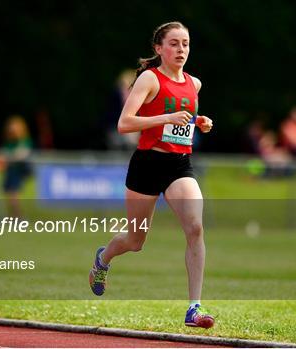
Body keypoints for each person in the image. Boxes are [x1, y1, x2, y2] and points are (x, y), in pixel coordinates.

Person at [89, 22, 215, 329]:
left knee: (195, 227)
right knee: (135, 241)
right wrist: (167, 117)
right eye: (174, 43)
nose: (181, 49)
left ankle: (193, 309)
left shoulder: (194, 83)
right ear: (159, 48)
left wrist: (198, 122)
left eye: (185, 43)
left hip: (179, 166)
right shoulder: (149, 78)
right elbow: (125, 123)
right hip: (147, 165)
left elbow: (180, 118)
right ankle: (103, 259)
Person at [1, 115, 33, 217]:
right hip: (9, 171)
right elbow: (5, 155)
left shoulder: (24, 141)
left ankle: (19, 217)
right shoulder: (9, 142)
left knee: (14, 196)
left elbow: (22, 154)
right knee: (8, 195)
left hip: (18, 172)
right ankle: (11, 217)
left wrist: (11, 158)